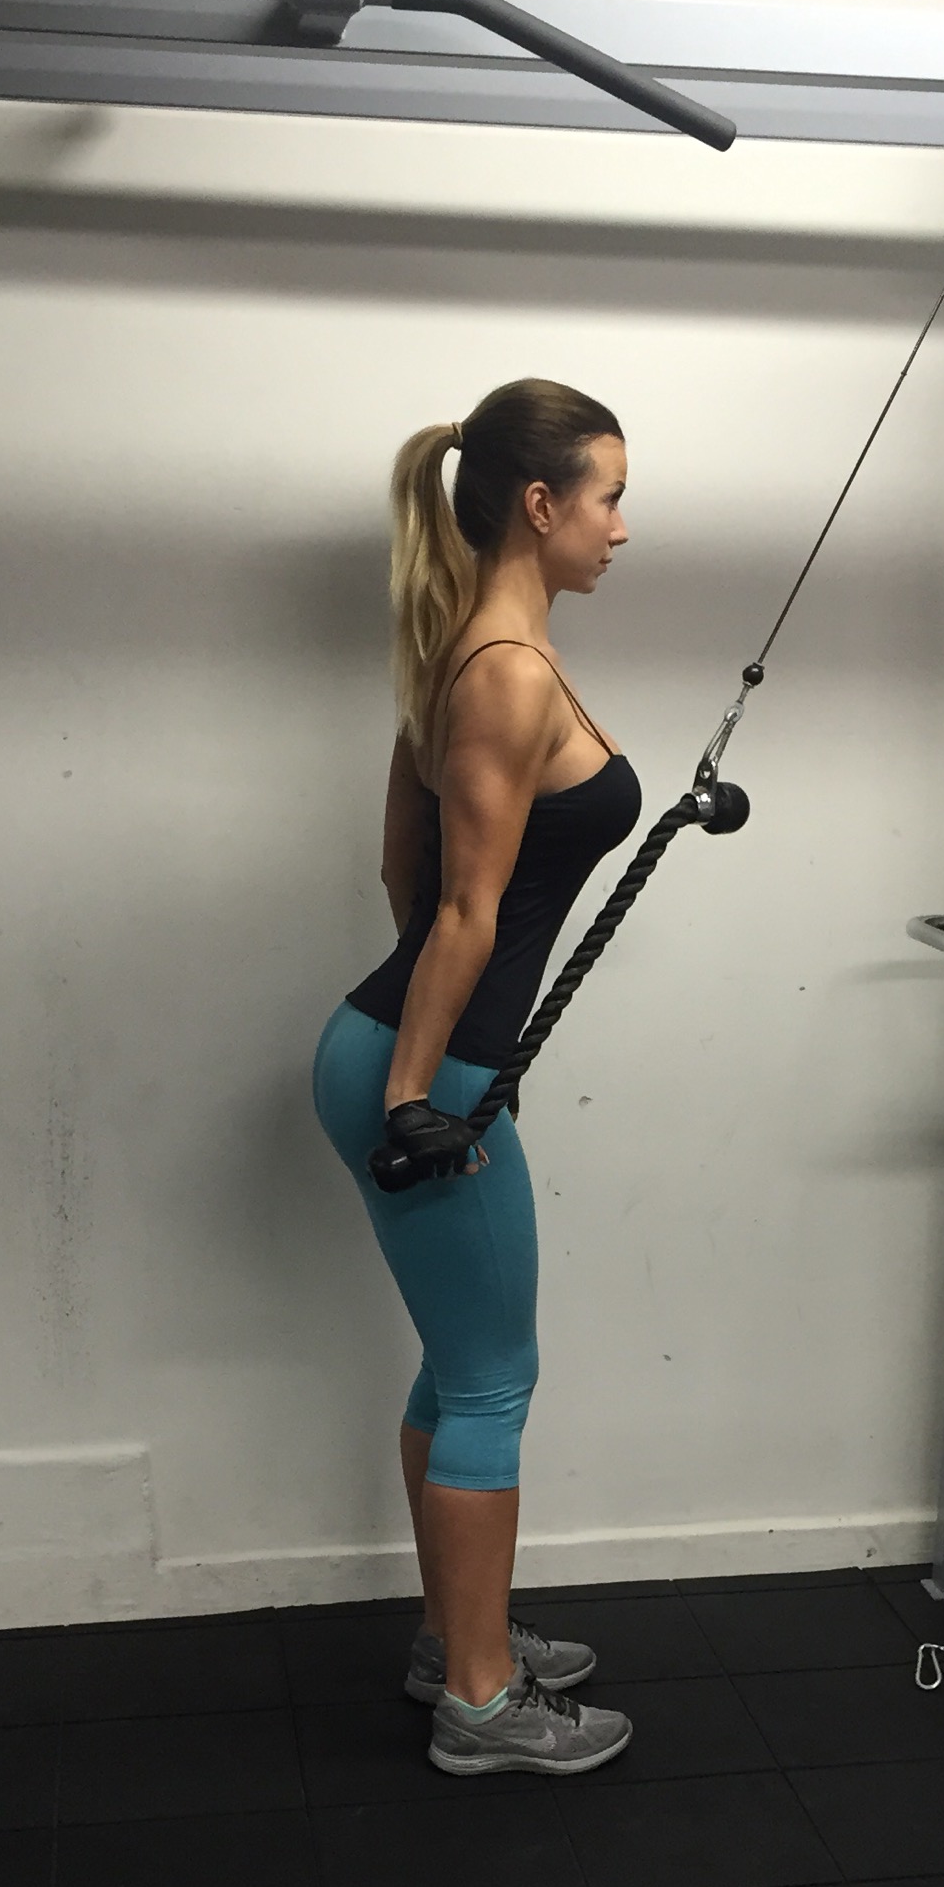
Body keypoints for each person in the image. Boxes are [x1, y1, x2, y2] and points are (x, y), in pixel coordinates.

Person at [313, 377, 643, 1776]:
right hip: (416, 1068)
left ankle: (459, 1636)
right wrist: (416, 1096)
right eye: (609, 497)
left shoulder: (472, 647)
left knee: (460, 1367)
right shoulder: (505, 671)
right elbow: (457, 906)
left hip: (414, 1051)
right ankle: (483, 1702)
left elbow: (400, 863)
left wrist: (434, 1061)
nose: (621, 526)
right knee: (495, 1380)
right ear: (540, 503)